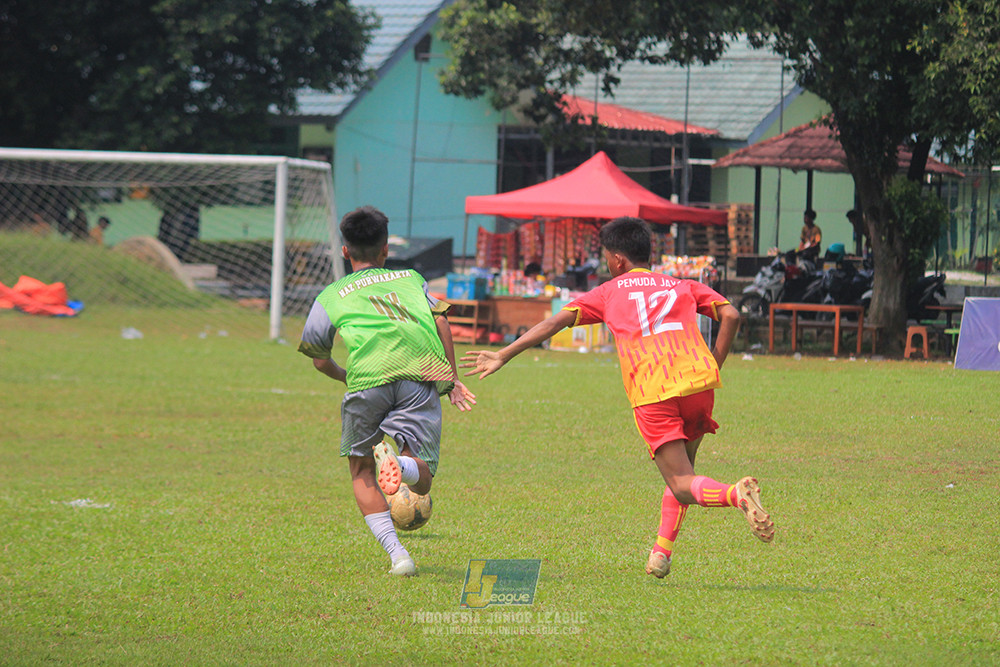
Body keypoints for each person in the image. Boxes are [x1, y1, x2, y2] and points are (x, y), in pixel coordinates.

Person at [461, 216, 774, 579]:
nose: (606, 264)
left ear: (618, 260)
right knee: (683, 473)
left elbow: (554, 323)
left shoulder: (609, 291)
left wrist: (504, 353)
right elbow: (731, 315)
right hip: (698, 383)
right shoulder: (681, 284)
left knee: (681, 483)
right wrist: (714, 364)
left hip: (654, 389)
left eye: (606, 257)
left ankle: (737, 494)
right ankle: (661, 552)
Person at [298, 205, 476, 577]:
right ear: (385, 251)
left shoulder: (330, 295)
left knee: (362, 470)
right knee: (423, 476)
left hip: (367, 378)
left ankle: (400, 557)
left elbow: (318, 357)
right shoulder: (411, 278)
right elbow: (440, 320)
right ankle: (404, 465)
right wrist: (451, 377)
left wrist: (351, 376)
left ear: (345, 251)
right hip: (421, 373)